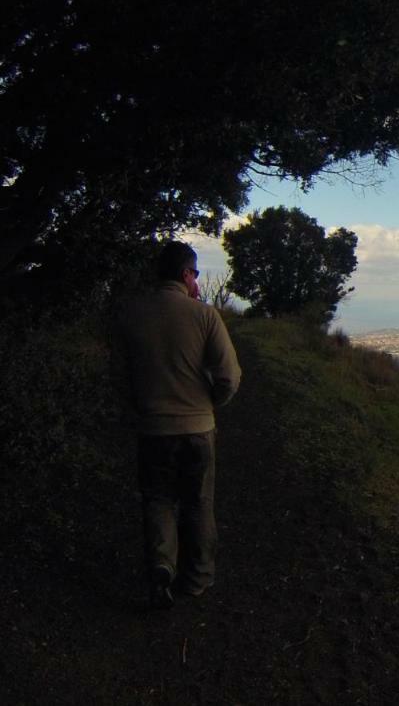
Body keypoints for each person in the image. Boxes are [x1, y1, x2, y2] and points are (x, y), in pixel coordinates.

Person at [119, 241, 241, 608]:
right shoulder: (204, 315)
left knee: (158, 500)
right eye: (196, 274)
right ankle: (198, 578)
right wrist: (208, 405)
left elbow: (119, 375)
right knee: (198, 503)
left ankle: (161, 565)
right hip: (197, 428)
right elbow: (229, 377)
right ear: (187, 274)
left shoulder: (130, 314)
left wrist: (138, 408)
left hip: (152, 428)